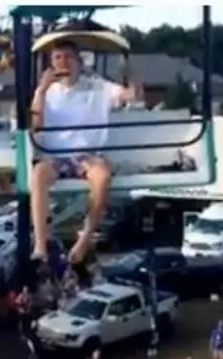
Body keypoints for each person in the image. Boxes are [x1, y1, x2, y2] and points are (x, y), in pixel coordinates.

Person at [28, 40, 135, 266]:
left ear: (78, 61)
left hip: (87, 155)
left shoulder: (97, 86)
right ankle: (40, 243)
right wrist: (41, 89)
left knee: (103, 176)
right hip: (56, 155)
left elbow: (127, 96)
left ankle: (84, 239)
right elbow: (36, 125)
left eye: (68, 57)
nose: (63, 63)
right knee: (38, 175)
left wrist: (131, 83)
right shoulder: (46, 92)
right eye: (58, 58)